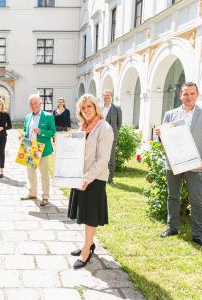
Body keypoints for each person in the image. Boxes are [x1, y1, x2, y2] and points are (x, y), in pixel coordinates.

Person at [156, 82, 202, 250]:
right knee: (172, 197)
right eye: (185, 94)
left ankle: (198, 235)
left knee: (197, 200)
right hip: (174, 164)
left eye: (192, 93)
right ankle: (172, 228)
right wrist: (161, 136)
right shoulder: (170, 115)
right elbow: (163, 142)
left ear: (197, 95)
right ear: (180, 95)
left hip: (196, 165)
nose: (188, 96)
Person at [68, 94, 114, 269]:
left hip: (93, 179)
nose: (86, 110)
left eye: (89, 106)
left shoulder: (104, 128)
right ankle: (88, 243)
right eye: (83, 107)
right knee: (85, 213)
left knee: (90, 216)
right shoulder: (83, 127)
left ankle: (86, 250)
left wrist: (87, 179)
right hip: (81, 177)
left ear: (96, 107)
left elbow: (103, 160)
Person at [20, 94, 56, 207]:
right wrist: (23, 135)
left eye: (35, 103)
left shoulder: (48, 116)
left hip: (42, 149)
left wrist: (41, 131)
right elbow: (26, 130)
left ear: (40, 103)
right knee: (30, 173)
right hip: (29, 147)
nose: (33, 105)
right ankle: (32, 193)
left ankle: (45, 197)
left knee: (44, 174)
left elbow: (52, 132)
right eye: (31, 104)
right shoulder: (27, 117)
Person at [102, 89, 122, 184]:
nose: (106, 97)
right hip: (100, 136)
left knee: (111, 158)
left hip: (111, 137)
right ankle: (101, 176)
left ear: (112, 97)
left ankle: (110, 178)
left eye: (108, 95)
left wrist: (112, 133)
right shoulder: (99, 108)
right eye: (105, 95)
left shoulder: (117, 108)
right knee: (100, 157)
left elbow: (119, 123)